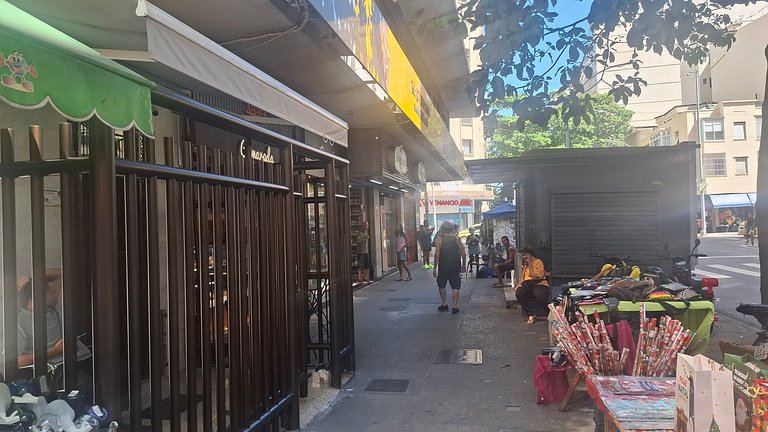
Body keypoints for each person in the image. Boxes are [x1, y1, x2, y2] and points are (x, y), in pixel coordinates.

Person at [16, 269, 64, 367]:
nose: (55, 295)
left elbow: (62, 273)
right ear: (39, 297)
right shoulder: (19, 323)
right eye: (52, 292)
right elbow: (17, 361)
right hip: (55, 368)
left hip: (79, 358)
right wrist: (55, 351)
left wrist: (33, 276)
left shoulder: (50, 308)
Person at [433, 220, 467, 314]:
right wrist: (463, 264)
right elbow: (463, 252)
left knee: (441, 285)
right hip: (455, 266)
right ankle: (455, 306)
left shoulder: (439, 239)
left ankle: (444, 304)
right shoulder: (456, 238)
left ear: (442, 229)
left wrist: (435, 267)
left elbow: (437, 254)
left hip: (443, 266)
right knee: (455, 286)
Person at [515, 246, 550, 324]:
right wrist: (519, 285)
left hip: (539, 283)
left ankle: (548, 312)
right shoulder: (525, 264)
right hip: (528, 284)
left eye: (525, 256)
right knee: (519, 293)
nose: (523, 258)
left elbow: (535, 276)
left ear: (528, 255)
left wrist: (530, 264)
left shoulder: (538, 262)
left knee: (540, 295)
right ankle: (530, 314)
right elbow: (523, 277)